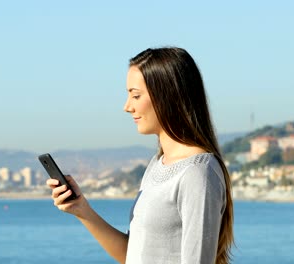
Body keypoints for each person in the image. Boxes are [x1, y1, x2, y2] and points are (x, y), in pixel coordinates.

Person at [47, 47, 234, 264]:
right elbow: (133, 255)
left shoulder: (197, 173)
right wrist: (82, 210)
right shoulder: (157, 165)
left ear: (168, 95)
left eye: (135, 95)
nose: (127, 107)